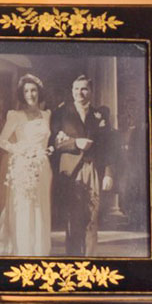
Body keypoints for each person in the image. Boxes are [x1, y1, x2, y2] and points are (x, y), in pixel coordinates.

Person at [51, 72, 114, 255]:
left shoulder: (99, 114)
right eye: (77, 89)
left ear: (91, 91)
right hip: (70, 171)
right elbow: (53, 143)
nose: (80, 92)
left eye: (84, 89)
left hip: (93, 168)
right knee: (72, 219)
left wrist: (108, 173)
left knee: (92, 218)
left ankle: (90, 260)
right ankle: (73, 261)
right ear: (71, 91)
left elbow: (107, 146)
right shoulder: (60, 113)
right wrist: (75, 143)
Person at [0, 72, 52, 254]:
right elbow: (2, 140)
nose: (31, 95)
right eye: (26, 91)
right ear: (22, 94)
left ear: (39, 92)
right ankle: (23, 250)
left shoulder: (46, 115)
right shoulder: (15, 115)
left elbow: (47, 142)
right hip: (23, 167)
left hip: (43, 167)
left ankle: (39, 250)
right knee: (25, 209)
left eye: (33, 90)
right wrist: (22, 150)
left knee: (41, 208)